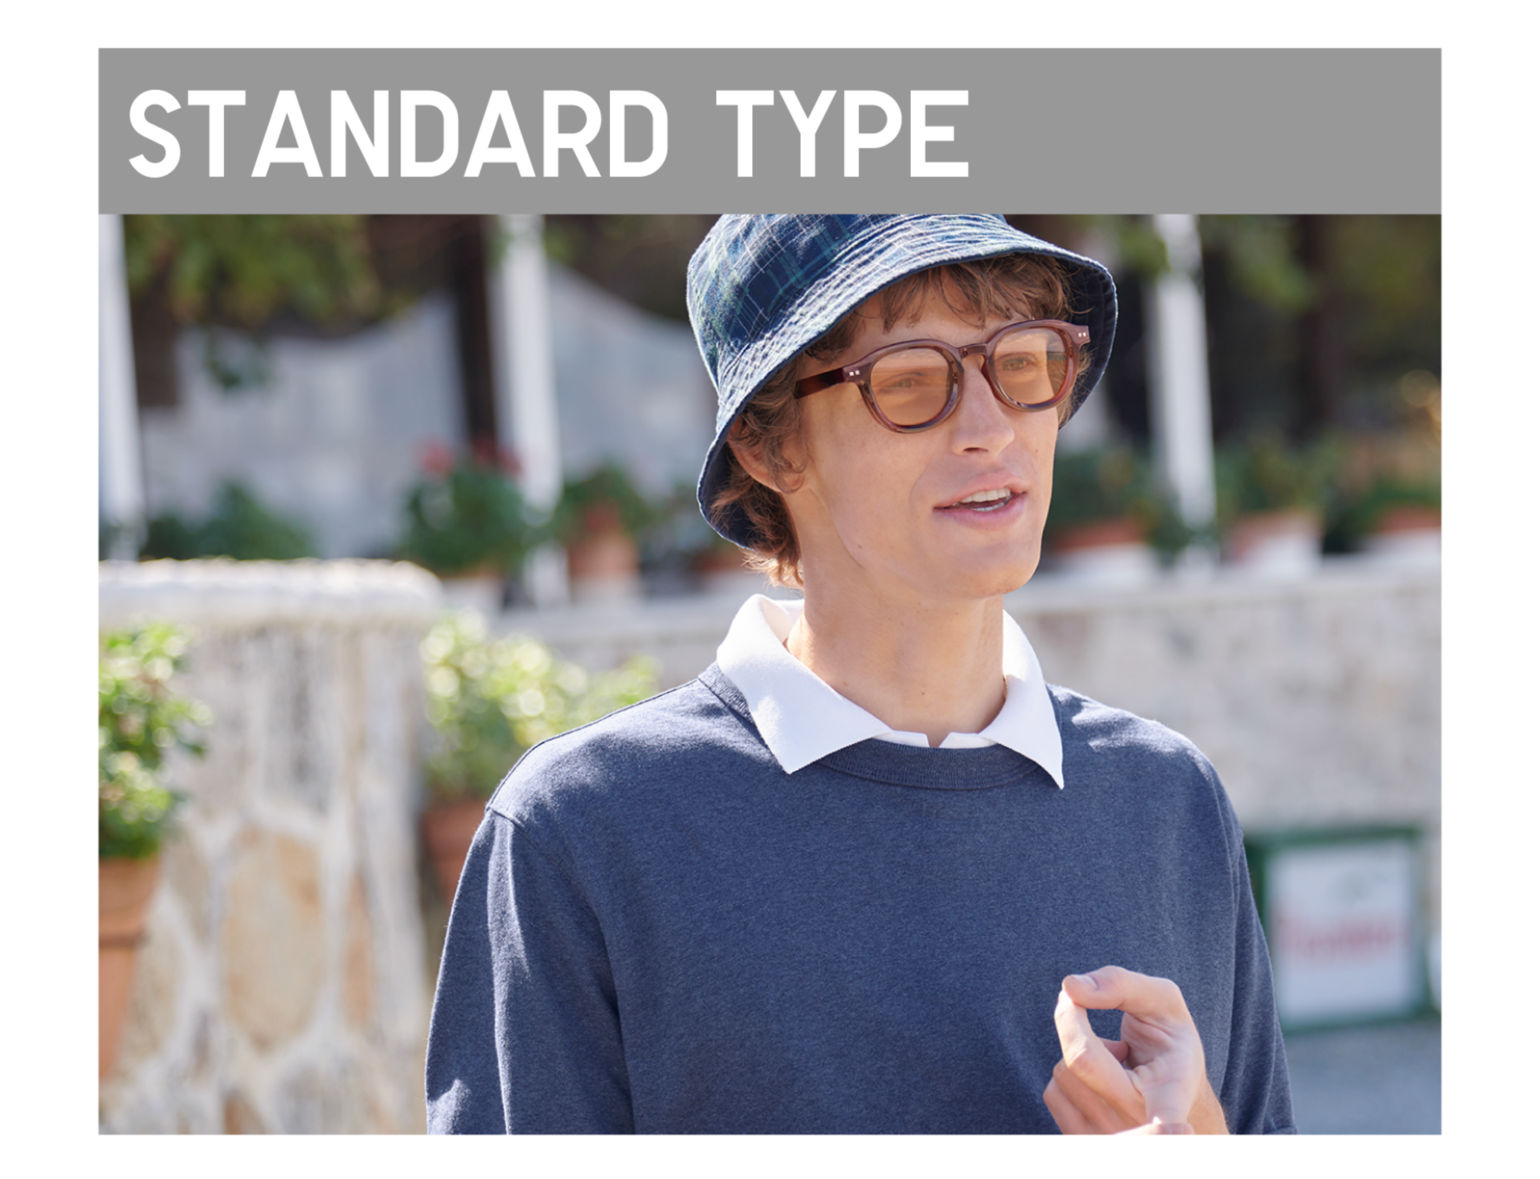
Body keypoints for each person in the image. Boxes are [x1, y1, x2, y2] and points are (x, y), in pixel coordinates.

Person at [425, 214, 1295, 1135]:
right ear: (769, 446)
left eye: (1026, 361)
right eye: (913, 381)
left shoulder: (1167, 802)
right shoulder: (586, 832)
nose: (991, 427)